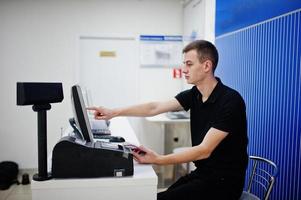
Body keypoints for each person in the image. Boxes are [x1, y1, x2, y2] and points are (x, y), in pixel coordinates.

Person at [88, 40, 248, 200]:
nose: (183, 69)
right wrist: (113, 112)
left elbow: (203, 150)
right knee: (156, 196)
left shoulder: (230, 101)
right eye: (184, 64)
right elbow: (154, 108)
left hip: (225, 183)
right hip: (203, 174)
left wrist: (158, 159)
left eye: (189, 64)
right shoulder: (195, 94)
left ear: (206, 66)